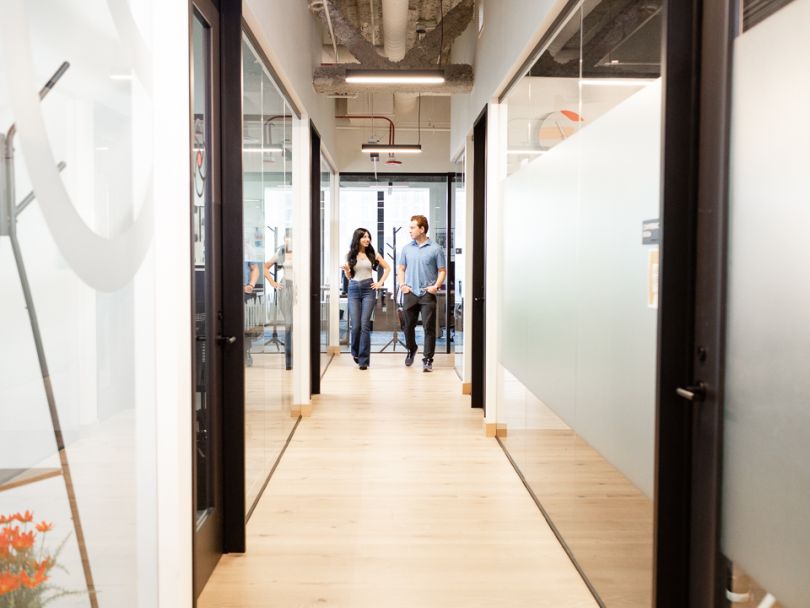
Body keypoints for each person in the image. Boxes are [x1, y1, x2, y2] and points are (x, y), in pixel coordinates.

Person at [397, 214, 446, 372]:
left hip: (427, 293)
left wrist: (436, 286)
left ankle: (428, 359)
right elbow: (401, 269)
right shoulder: (406, 249)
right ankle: (411, 349)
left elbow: (442, 270)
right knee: (407, 326)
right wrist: (402, 285)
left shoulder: (436, 249)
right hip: (410, 292)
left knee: (428, 328)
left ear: (422, 229)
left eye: (412, 227)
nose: (409, 230)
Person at [343, 228, 390, 370]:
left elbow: (387, 268)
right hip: (353, 289)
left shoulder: (372, 254)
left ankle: (363, 360)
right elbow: (349, 277)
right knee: (356, 325)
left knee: (365, 325)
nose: (367, 239)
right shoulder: (350, 255)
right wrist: (346, 271)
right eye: (364, 237)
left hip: (368, 290)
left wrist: (380, 282)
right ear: (357, 239)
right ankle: (355, 352)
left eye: (368, 237)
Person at [264, 234, 294, 371]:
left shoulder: (303, 251)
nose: (289, 241)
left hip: (299, 288)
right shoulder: (281, 251)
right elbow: (265, 267)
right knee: (288, 324)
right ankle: (289, 361)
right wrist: (272, 282)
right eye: (287, 238)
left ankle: (301, 358)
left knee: (300, 325)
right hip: (285, 288)